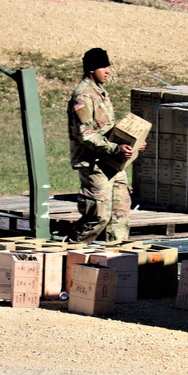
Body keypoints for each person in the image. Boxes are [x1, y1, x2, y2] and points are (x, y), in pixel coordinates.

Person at [66, 47, 139, 244]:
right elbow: (86, 135)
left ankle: (116, 261)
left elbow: (108, 130)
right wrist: (116, 149)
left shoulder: (100, 93)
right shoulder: (82, 97)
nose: (107, 71)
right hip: (94, 165)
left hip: (114, 164)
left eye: (108, 67)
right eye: (103, 67)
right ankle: (69, 251)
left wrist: (132, 143)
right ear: (91, 69)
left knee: (119, 216)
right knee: (98, 216)